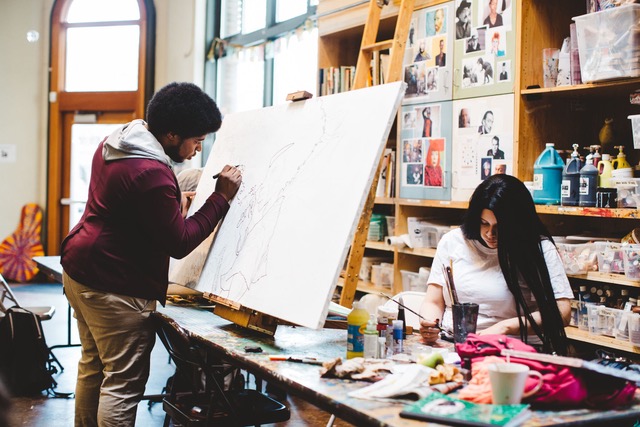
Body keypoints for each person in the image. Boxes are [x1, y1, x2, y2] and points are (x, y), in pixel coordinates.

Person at [60, 82, 243, 426]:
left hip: (80, 269)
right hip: (114, 283)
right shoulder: (153, 173)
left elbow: (132, 209)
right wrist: (221, 197)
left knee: (93, 367)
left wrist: (172, 205)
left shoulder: (118, 142)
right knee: (122, 383)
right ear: (172, 135)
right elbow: (179, 242)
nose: (197, 150)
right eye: (197, 141)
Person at [418, 174, 573, 355]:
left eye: (500, 227)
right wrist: (430, 323)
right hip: (454, 344)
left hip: (513, 350)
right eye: (483, 223)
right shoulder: (453, 241)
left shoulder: (539, 249)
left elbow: (562, 313)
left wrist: (505, 327)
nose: (490, 234)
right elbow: (433, 301)